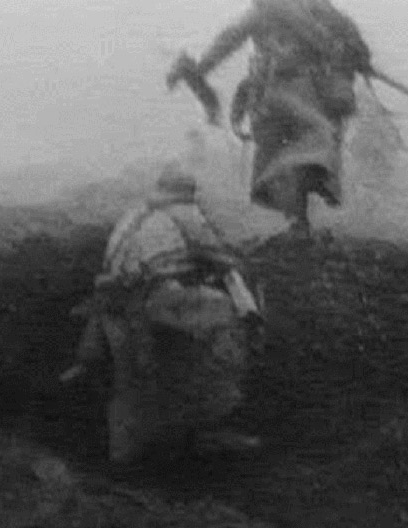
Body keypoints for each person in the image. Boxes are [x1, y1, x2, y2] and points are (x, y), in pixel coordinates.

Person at [167, 0, 408, 238]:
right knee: (308, 147)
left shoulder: (311, 8)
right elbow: (229, 38)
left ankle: (299, 223)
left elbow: (349, 42)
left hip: (294, 96)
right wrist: (199, 69)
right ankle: (298, 223)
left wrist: (356, 56)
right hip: (284, 95)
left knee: (300, 155)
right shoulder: (284, 6)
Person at [62, 163, 264, 463]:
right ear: (187, 193)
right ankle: (207, 430)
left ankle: (129, 455)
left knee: (131, 379)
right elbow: (220, 256)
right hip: (154, 299)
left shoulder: (135, 214)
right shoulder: (184, 213)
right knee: (220, 330)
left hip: (114, 303)